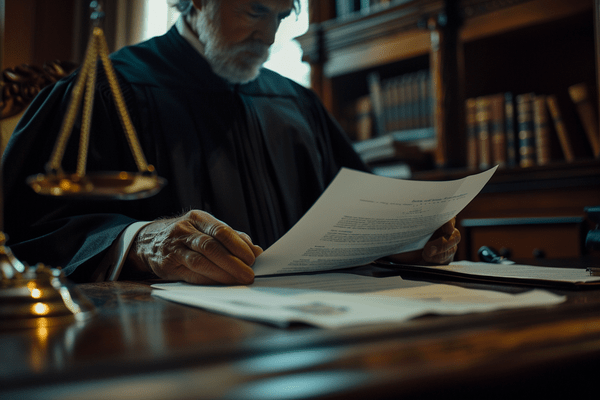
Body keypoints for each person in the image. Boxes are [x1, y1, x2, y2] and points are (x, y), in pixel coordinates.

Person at [2, 0, 460, 285]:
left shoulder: (296, 103)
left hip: (307, 332)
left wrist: (399, 239)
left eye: (281, 15)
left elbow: (347, 218)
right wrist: (140, 242)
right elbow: (25, 230)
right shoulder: (106, 92)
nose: (270, 34)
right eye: (255, 10)